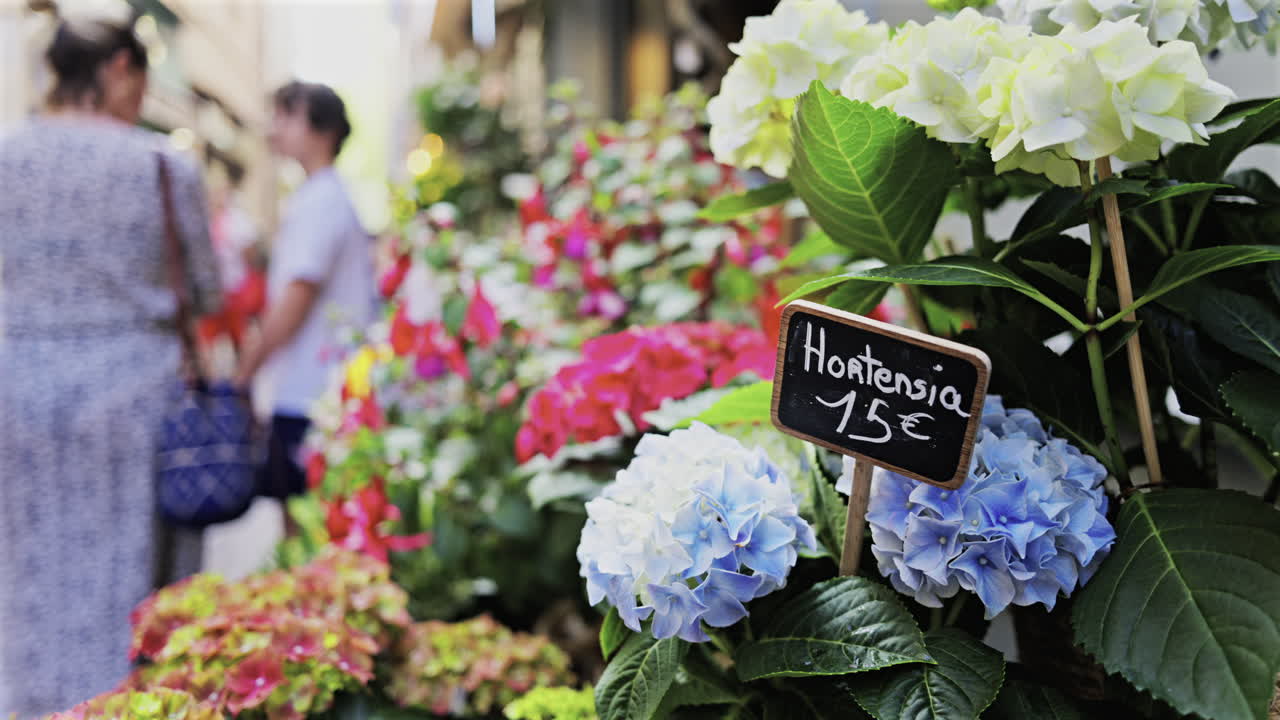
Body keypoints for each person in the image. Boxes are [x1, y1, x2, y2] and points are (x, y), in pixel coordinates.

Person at [0, 14, 220, 717]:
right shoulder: (161, 164)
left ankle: (37, 703)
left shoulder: (5, 158)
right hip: (135, 393)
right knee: (133, 580)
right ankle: (125, 705)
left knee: (30, 572)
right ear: (120, 69)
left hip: (21, 387)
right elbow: (206, 288)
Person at [234, 81, 374, 507]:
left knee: (306, 525)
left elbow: (296, 298)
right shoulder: (321, 197)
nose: (274, 128)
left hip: (312, 395)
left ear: (322, 130)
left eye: (286, 116)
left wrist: (246, 370)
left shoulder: (322, 201)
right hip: (317, 392)